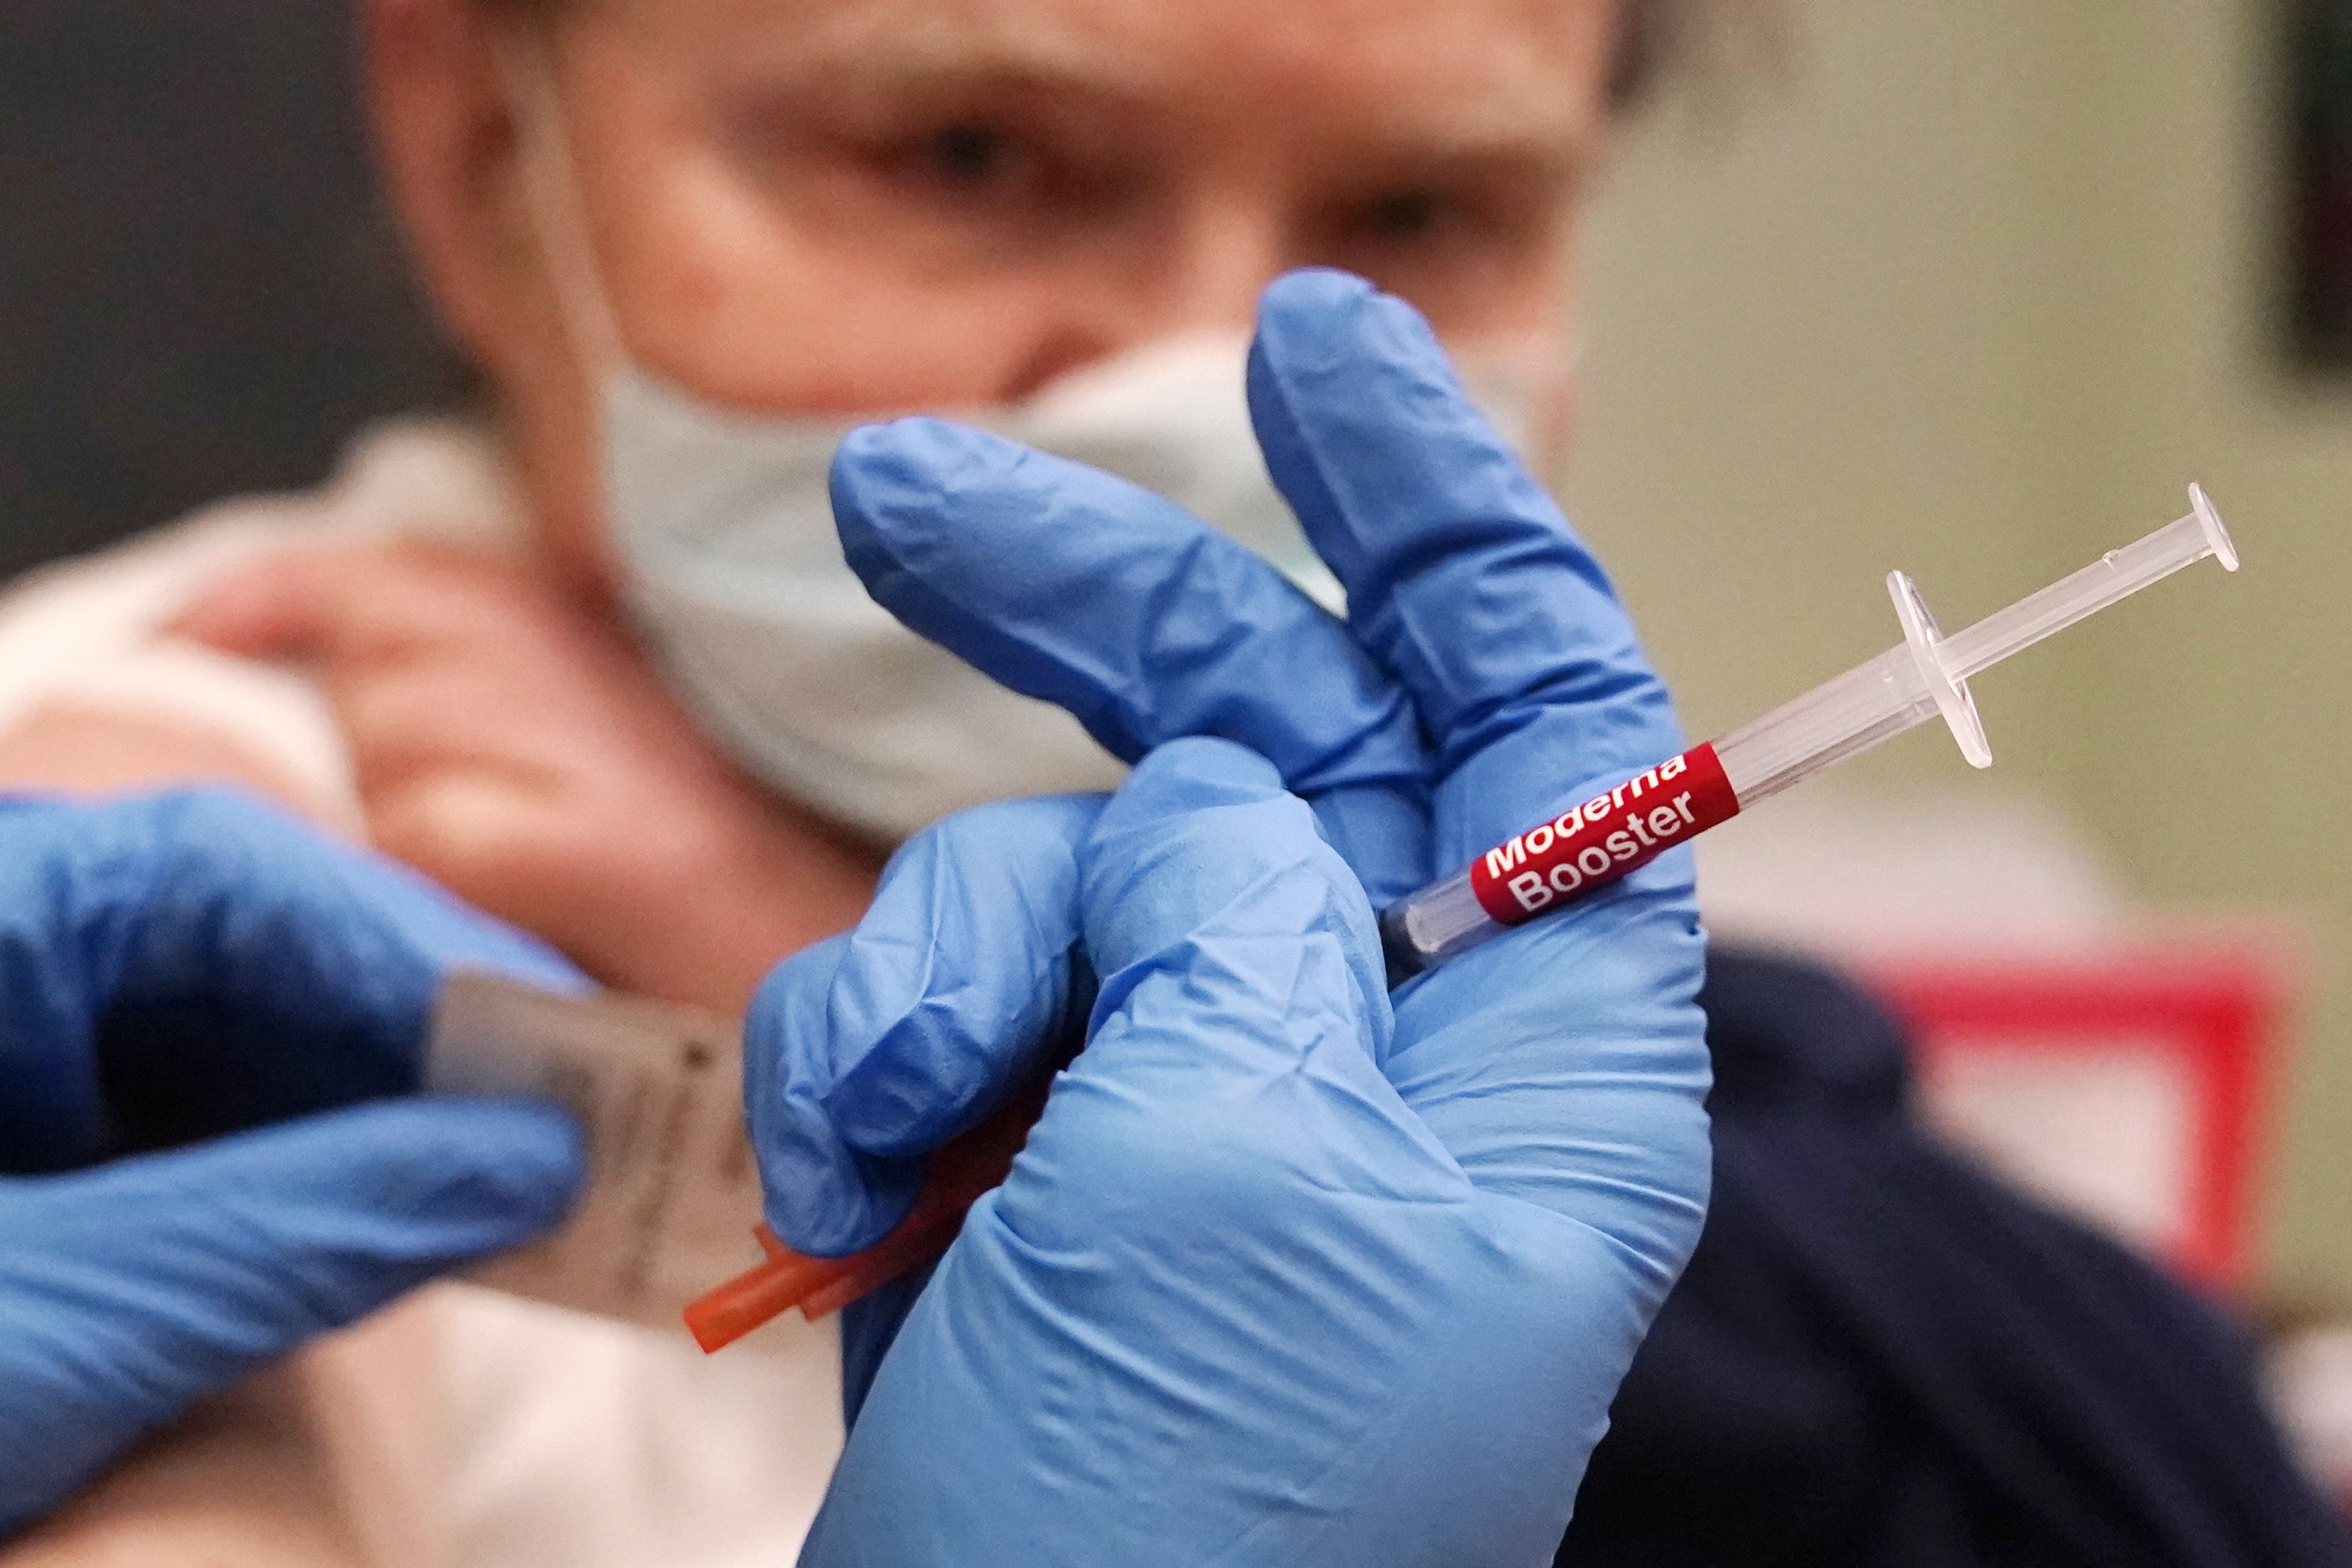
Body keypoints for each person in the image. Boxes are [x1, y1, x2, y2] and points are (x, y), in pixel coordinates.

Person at [0, 0, 1657, 1558]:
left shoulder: (1561, 979)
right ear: (485, 152)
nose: (1198, 370)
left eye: (1427, 208)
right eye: (970, 156)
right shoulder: (212, 767)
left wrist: (808, 947)